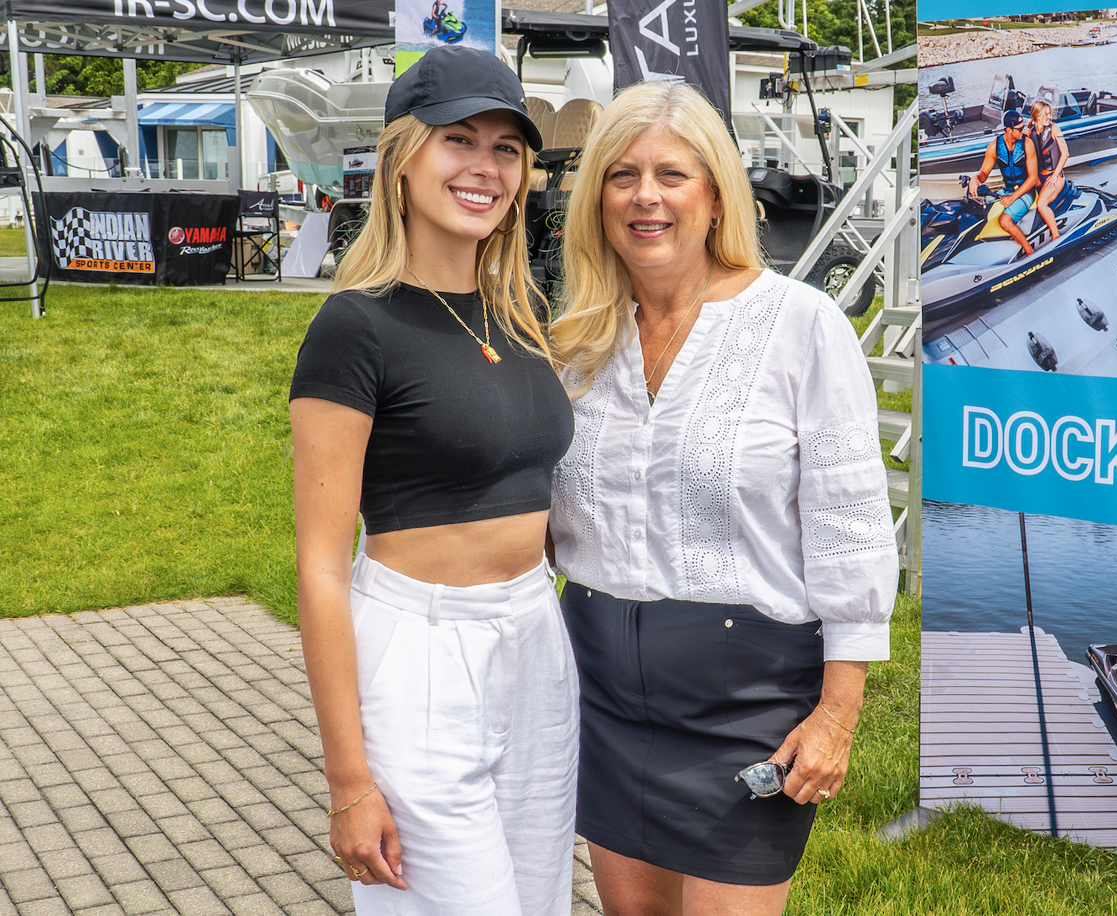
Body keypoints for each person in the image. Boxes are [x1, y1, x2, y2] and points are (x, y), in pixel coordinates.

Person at [548, 80, 897, 916]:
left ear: (714, 195)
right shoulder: (577, 342)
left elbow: (850, 528)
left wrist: (837, 715)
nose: (645, 196)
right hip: (599, 689)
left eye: (672, 174)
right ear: (597, 198)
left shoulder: (800, 324)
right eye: (621, 174)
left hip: (748, 706)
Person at [289, 45, 578, 916]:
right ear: (403, 156)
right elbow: (318, 569)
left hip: (537, 643)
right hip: (419, 655)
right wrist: (348, 782)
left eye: (505, 148)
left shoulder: (523, 320)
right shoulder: (355, 327)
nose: (484, 167)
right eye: (459, 140)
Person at [966, 109, 1041, 257]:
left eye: (1023, 127)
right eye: (1019, 129)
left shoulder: (1027, 144)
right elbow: (984, 173)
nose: (1023, 131)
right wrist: (975, 179)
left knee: (1005, 221)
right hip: (1007, 190)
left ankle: (1030, 251)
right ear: (1008, 130)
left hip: (1026, 191)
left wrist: (1013, 198)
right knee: (981, 209)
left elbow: (1032, 178)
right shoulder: (994, 146)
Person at [1028, 98, 1070, 241]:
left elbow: (1066, 153)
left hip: (1055, 176)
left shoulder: (1053, 128)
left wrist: (1055, 175)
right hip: (1040, 176)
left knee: (1041, 204)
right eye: (1045, 114)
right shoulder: (1030, 132)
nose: (1049, 117)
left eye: (1049, 114)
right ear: (1037, 115)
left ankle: (1055, 235)